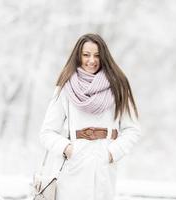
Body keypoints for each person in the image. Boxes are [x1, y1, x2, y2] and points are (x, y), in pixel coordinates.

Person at [39, 33, 141, 200]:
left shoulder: (119, 87)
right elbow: (47, 132)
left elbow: (132, 130)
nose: (91, 60)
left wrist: (111, 153)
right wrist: (68, 149)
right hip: (72, 168)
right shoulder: (66, 87)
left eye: (97, 55)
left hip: (103, 169)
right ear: (78, 56)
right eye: (86, 55)